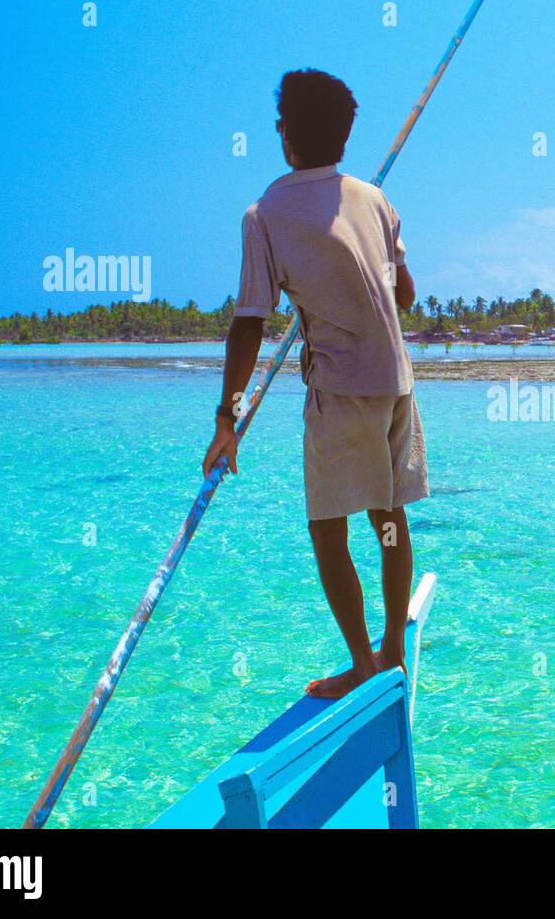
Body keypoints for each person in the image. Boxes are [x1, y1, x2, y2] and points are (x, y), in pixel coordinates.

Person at [202, 69, 429, 699]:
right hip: (397, 385)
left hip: (342, 392)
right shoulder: (374, 200)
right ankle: (391, 648)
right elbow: (403, 295)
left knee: (329, 526)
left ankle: (363, 664)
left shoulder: (265, 213)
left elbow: (250, 324)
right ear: (346, 136)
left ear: (284, 134)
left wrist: (229, 420)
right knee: (387, 517)